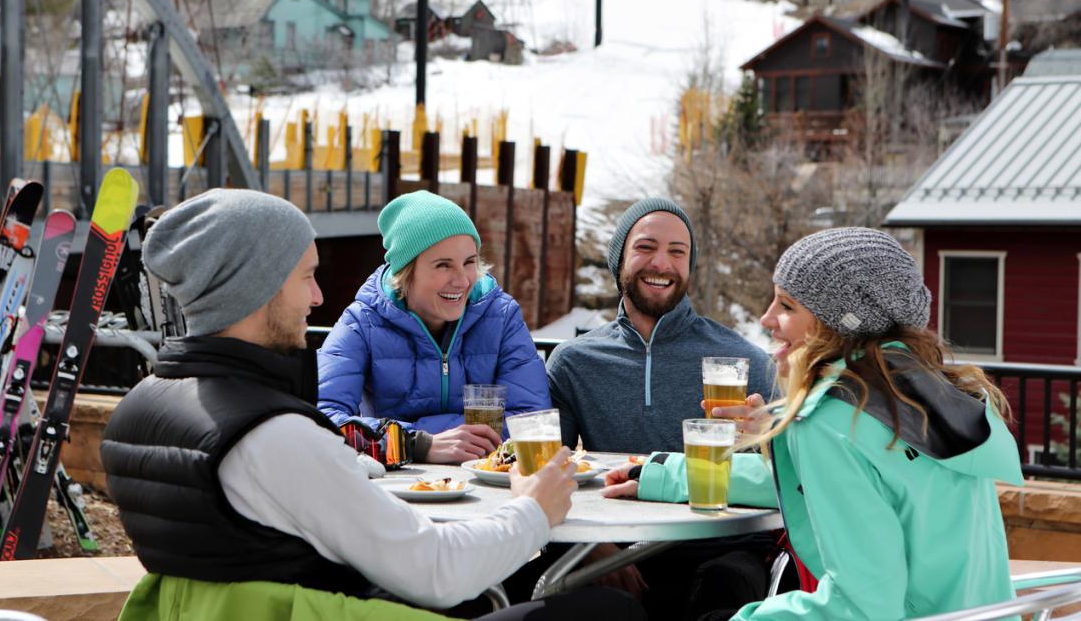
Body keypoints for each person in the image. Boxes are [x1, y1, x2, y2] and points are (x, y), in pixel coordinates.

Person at [102, 189, 641, 620]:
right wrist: (534, 512)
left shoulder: (138, 412)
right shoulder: (268, 434)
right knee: (608, 609)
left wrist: (362, 456)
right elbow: (434, 570)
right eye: (308, 276)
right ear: (257, 287)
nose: (318, 298)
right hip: (356, 599)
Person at [602, 227, 1024, 620]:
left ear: (837, 324)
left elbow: (863, 606)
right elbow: (834, 485)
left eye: (786, 306)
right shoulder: (921, 394)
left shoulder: (830, 421)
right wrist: (668, 475)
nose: (766, 319)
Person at [319, 190, 552, 464]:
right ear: (405, 272)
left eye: (469, 262)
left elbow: (534, 424)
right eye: (443, 265)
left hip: (489, 486)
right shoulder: (361, 322)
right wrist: (419, 443)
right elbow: (322, 423)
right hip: (397, 492)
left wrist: (428, 429)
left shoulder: (501, 316)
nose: (463, 280)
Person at [546, 196, 773, 455]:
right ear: (619, 260)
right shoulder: (573, 363)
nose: (661, 264)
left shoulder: (746, 364)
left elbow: (793, 477)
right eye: (645, 247)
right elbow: (546, 470)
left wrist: (768, 443)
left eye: (677, 251)